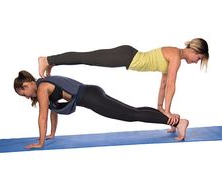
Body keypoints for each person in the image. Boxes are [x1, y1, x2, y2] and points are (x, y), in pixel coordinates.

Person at [38, 38, 209, 132]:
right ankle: (48, 59)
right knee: (87, 58)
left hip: (127, 56)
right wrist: (169, 110)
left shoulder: (174, 55)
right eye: (198, 59)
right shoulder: (175, 56)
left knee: (87, 59)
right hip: (126, 56)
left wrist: (161, 108)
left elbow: (164, 84)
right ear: (194, 51)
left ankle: (51, 62)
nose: (196, 62)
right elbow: (171, 84)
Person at [14, 70, 189, 149]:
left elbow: (42, 116)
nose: (27, 96)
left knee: (131, 115)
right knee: (133, 111)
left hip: (91, 97)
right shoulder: (44, 85)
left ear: (28, 83)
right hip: (92, 93)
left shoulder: (42, 87)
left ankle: (179, 122)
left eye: (24, 92)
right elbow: (53, 112)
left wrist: (41, 142)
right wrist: (51, 134)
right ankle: (172, 122)